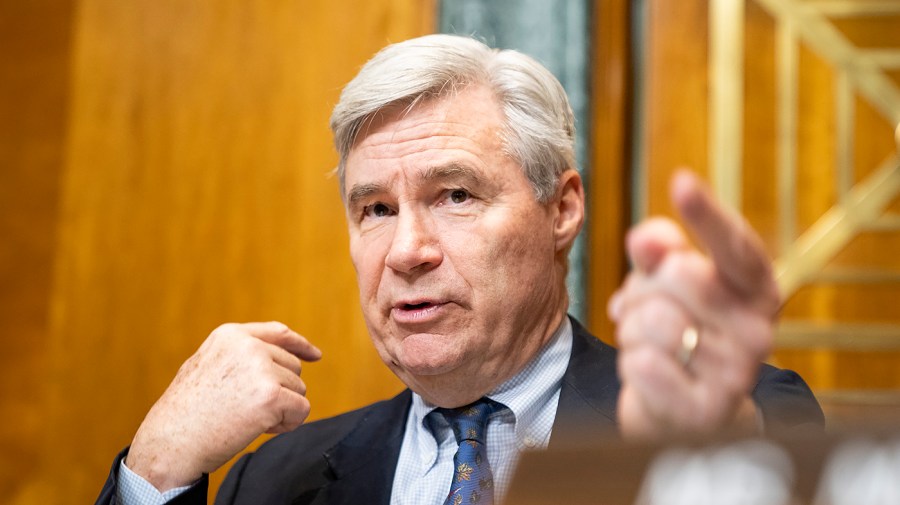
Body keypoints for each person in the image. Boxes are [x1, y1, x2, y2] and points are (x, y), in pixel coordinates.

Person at [96, 34, 823, 505]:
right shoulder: (275, 479)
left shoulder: (737, 418)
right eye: (376, 209)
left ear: (562, 207)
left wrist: (719, 463)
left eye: (455, 195)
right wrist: (155, 472)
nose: (408, 250)